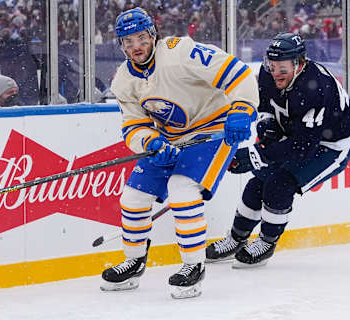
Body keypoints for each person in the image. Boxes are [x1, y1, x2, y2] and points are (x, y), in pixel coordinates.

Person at [100, 8, 259, 298]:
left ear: (152, 35)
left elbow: (237, 73)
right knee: (132, 198)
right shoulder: (123, 80)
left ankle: (193, 266)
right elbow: (133, 126)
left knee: (182, 189)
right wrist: (149, 143)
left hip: (213, 132)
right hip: (169, 138)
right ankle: (134, 260)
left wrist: (241, 108)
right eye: (128, 41)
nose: (136, 46)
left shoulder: (179, 52)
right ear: (121, 46)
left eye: (141, 38)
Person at [205, 32, 350, 268]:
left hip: (330, 146)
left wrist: (257, 154)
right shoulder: (268, 73)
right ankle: (237, 239)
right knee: (257, 183)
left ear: (299, 63)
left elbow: (303, 146)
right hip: (297, 135)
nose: (275, 72)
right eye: (272, 65)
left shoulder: (317, 87)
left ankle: (267, 242)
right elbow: (264, 104)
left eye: (282, 68)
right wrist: (267, 127)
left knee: (280, 185)